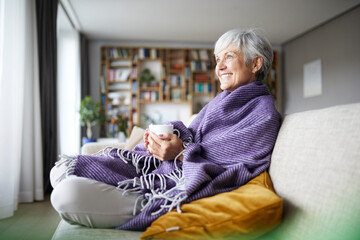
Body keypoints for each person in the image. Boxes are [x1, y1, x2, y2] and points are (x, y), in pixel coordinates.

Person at [50, 28, 281, 231]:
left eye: (228, 57)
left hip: (175, 189)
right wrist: (169, 140)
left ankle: (141, 204)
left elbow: (226, 169)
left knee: (66, 194)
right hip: (162, 172)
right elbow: (194, 137)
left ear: (256, 64)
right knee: (59, 172)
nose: (219, 67)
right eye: (217, 58)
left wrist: (180, 154)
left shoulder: (264, 115)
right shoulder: (219, 102)